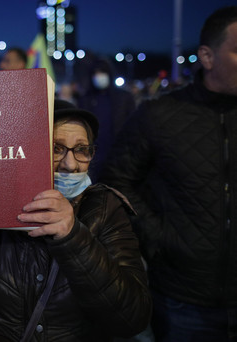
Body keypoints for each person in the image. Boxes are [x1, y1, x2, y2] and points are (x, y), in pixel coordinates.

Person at [0, 99, 152, 341]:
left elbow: (132, 318)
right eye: (56, 148)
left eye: (82, 150)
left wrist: (73, 237)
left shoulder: (105, 209)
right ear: (27, 151)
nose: (70, 165)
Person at [99, 6, 237, 341]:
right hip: (183, 300)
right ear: (207, 56)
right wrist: (159, 239)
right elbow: (116, 181)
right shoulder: (159, 115)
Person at [77, 58, 135, 183]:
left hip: (118, 157)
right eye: (95, 74)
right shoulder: (85, 100)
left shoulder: (124, 98)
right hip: (93, 159)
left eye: (102, 73)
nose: (99, 77)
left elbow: (134, 128)